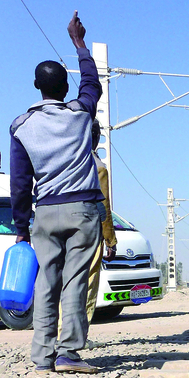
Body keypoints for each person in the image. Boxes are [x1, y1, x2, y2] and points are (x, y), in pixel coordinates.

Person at [10, 12, 103, 374]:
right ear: (65, 88)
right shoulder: (80, 114)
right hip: (82, 210)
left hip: (45, 211)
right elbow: (93, 84)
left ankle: (42, 355)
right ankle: (68, 353)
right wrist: (79, 44)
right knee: (75, 281)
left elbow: (20, 182)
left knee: (46, 281)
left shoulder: (21, 126)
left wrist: (21, 225)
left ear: (37, 86)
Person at [58, 119, 117, 336]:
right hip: (88, 232)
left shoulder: (64, 161)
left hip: (60, 228)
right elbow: (103, 207)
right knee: (88, 283)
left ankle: (59, 331)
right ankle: (77, 335)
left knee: (65, 282)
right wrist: (110, 239)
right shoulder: (98, 167)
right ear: (96, 137)